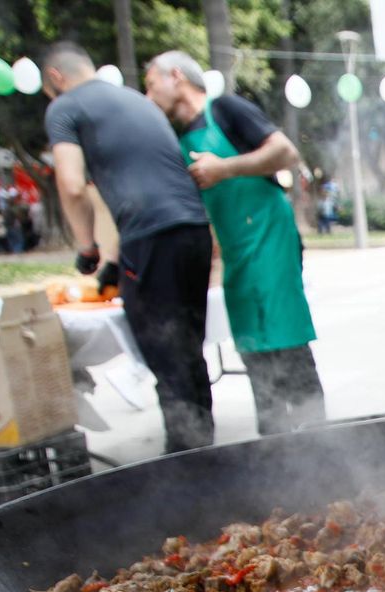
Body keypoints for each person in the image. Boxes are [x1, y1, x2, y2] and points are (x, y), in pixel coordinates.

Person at [42, 40, 215, 453]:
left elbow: (71, 185)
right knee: (188, 348)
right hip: (193, 232)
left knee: (165, 352)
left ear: (55, 78)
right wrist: (117, 265)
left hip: (152, 239)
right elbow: (141, 181)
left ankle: (187, 463)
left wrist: (88, 248)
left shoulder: (64, 107)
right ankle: (207, 454)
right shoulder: (138, 102)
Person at [145, 50, 325, 436]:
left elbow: (286, 153)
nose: (148, 96)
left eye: (150, 85)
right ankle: (273, 438)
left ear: (176, 76)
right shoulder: (176, 138)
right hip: (234, 248)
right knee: (251, 342)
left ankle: (317, 435)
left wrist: (223, 168)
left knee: (283, 334)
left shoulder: (226, 109)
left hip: (268, 235)